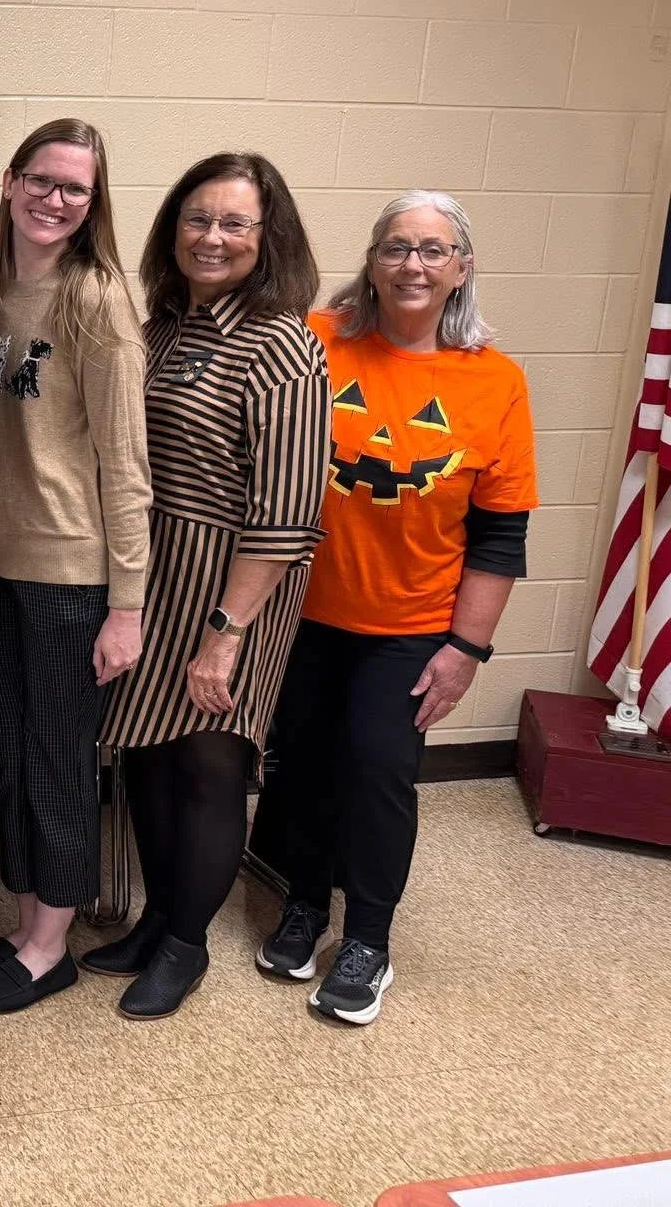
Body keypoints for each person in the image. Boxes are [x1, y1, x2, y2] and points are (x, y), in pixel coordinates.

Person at [251, 192, 535, 1026]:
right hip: (299, 612)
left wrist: (466, 650)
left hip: (410, 626)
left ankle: (368, 938)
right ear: (372, 261)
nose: (413, 264)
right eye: (397, 247)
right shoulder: (315, 339)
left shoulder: (494, 382)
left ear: (461, 269)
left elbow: (500, 534)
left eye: (434, 250)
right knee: (299, 762)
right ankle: (305, 902)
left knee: (380, 771)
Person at [85, 153, 331, 1021]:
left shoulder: (283, 346)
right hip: (153, 570)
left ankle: (187, 945)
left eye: (234, 223)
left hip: (235, 580)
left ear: (269, 241)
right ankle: (158, 920)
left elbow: (289, 507)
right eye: (197, 219)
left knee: (210, 760)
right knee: (150, 750)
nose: (211, 238)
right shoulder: (160, 329)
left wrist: (226, 632)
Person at [0, 119, 151, 1015]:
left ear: (93, 203)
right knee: (17, 759)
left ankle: (49, 945)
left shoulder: (97, 299)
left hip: (71, 578)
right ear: (9, 182)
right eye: (41, 179)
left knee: (59, 760)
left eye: (75, 188)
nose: (54, 198)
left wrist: (128, 605)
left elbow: (126, 462)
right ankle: (32, 921)